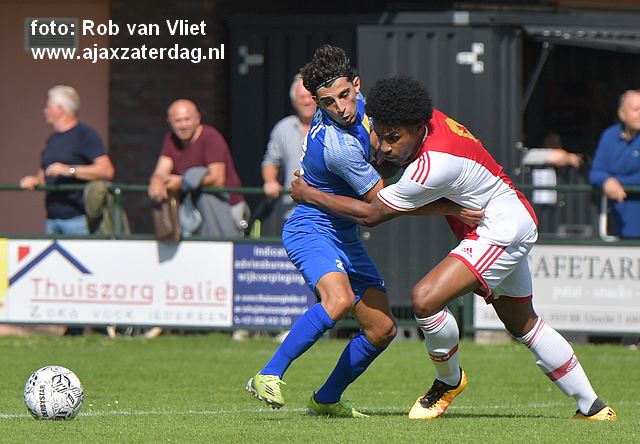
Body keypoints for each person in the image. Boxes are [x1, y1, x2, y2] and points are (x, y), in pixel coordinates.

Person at [290, 76, 617, 421]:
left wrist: (310, 194)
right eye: (380, 135)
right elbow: (393, 174)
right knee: (523, 324)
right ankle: (593, 407)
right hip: (506, 217)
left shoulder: (431, 166)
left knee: (425, 298)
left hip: (500, 227)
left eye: (393, 137)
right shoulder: (431, 120)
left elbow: (372, 214)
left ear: (417, 128)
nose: (384, 147)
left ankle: (448, 382)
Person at [245, 46, 477, 418]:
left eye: (344, 94)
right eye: (327, 102)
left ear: (357, 85)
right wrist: (451, 206)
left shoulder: (370, 108)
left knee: (382, 328)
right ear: (316, 104)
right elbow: (381, 205)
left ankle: (327, 399)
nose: (340, 107)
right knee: (336, 302)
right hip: (311, 228)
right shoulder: (338, 148)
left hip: (345, 234)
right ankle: (267, 374)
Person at [19, 85, 115, 234]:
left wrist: (69, 170)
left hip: (78, 220)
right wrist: (35, 180)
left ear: (61, 108)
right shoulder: (52, 139)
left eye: (49, 106)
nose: (45, 110)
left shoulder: (85, 135)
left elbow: (107, 170)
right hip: (52, 219)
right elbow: (45, 173)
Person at [148, 99, 247, 237]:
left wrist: (182, 182)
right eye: (178, 121)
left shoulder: (211, 137)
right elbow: (161, 170)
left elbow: (217, 179)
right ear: (169, 122)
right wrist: (156, 182)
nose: (183, 125)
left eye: (187, 119)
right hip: (192, 212)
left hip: (225, 207)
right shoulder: (170, 140)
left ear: (197, 119)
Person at [261, 74, 317, 234]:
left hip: (325, 208)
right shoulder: (283, 128)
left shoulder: (330, 126)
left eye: (310, 96)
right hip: (292, 211)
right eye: (301, 97)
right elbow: (270, 160)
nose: (306, 101)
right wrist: (270, 181)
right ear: (294, 101)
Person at [589, 89, 640, 239]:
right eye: (636, 109)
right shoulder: (609, 135)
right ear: (621, 114)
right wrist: (606, 181)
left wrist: (615, 182)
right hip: (613, 227)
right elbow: (595, 172)